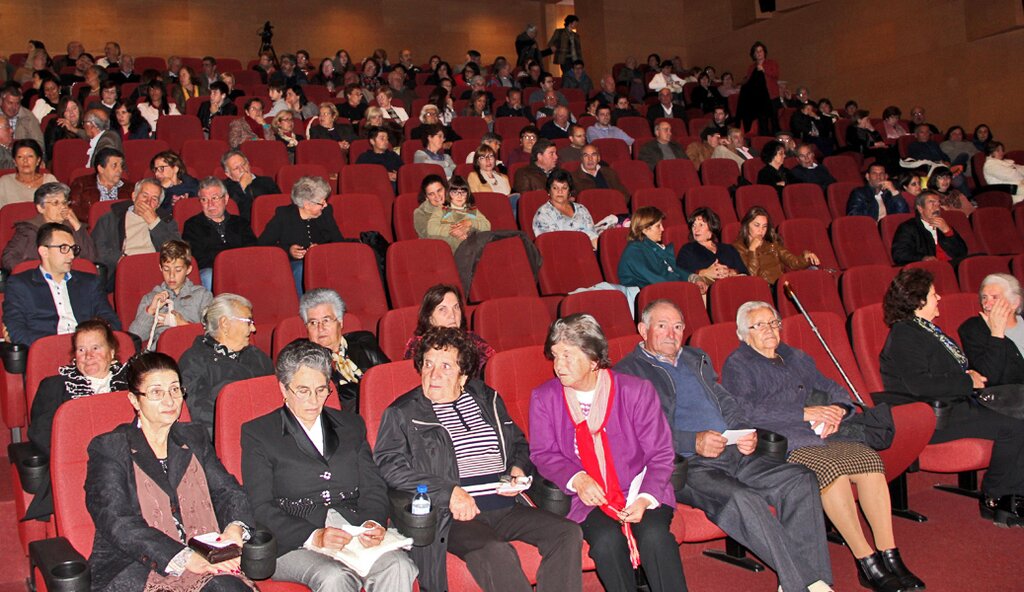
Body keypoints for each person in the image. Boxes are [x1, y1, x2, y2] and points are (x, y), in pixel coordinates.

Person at [614, 300, 836, 592]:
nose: (671, 334)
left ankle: (810, 581)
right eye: (662, 326)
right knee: (744, 499)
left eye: (678, 326)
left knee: (800, 480)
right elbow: (637, 433)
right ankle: (806, 585)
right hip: (687, 464)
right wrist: (693, 441)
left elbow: (724, 400)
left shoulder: (695, 358)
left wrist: (743, 429)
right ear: (643, 330)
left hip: (732, 451)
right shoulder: (627, 373)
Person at [723, 301, 924, 592]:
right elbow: (745, 411)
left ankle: (889, 554)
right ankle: (866, 560)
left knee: (870, 462)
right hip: (783, 441)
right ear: (744, 334)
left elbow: (833, 388)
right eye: (759, 325)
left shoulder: (794, 356)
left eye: (773, 323)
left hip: (825, 433)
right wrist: (803, 413)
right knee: (832, 472)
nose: (769, 330)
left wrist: (838, 411)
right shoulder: (739, 364)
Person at [377, 327, 581, 591]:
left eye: (445, 366)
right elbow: (389, 466)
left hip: (505, 506)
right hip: (453, 516)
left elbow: (519, 443)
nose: (433, 374)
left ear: (463, 374)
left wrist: (518, 468)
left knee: (567, 533)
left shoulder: (486, 398)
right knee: (495, 551)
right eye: (428, 364)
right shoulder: (403, 412)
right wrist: (448, 492)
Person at [240, 339, 417, 591]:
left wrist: (372, 523)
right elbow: (260, 507)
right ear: (283, 388)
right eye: (303, 391)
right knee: (335, 577)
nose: (314, 400)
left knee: (399, 565)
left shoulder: (351, 425)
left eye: (321, 390)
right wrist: (314, 535)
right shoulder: (258, 433)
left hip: (352, 529)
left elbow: (373, 486)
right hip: (292, 541)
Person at [529, 314, 686, 592]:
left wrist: (645, 498)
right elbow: (544, 453)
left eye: (567, 356)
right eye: (555, 355)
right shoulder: (545, 397)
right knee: (606, 542)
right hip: (586, 497)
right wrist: (577, 478)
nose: (558, 366)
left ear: (593, 360)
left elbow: (661, 453)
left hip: (641, 486)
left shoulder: (635, 392)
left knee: (654, 536)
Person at [85, 352, 257, 591]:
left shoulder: (193, 437)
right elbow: (116, 520)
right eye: (156, 392)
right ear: (134, 400)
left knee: (227, 588)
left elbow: (228, 491)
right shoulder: (110, 447)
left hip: (205, 555)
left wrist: (234, 529)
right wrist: (184, 558)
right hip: (138, 564)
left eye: (175, 390)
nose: (170, 401)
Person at [880, 268, 1024, 527]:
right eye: (933, 294)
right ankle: (994, 497)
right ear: (919, 301)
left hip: (954, 405)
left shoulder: (927, 330)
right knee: (1013, 426)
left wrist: (967, 375)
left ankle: (1012, 494)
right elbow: (920, 385)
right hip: (932, 415)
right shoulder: (904, 333)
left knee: (1017, 416)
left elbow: (945, 372)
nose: (939, 298)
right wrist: (967, 380)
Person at [24, 319, 128, 519]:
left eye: (96, 348)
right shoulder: (55, 386)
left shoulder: (134, 384)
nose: (88, 356)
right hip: (78, 468)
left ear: (112, 352)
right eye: (81, 350)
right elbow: (41, 434)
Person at [179, 293, 274, 434]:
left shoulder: (257, 356)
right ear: (225, 323)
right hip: (229, 436)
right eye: (248, 322)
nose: (253, 329)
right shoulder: (194, 362)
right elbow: (200, 416)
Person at [299, 288, 388, 413]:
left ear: (340, 322)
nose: (320, 328)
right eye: (313, 322)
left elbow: (390, 378)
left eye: (326, 320)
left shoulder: (364, 343)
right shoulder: (304, 359)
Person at [258, 176, 345, 294]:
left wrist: (320, 250)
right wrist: (289, 250)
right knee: (301, 269)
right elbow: (262, 246)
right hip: (295, 264)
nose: (325, 205)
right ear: (307, 205)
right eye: (322, 202)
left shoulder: (326, 212)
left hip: (324, 261)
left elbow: (338, 242)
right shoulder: (284, 216)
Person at [93, 178, 182, 290]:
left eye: (154, 199)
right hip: (125, 269)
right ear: (134, 196)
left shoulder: (166, 221)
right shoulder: (111, 218)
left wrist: (154, 223)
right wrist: (120, 260)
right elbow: (97, 248)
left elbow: (177, 252)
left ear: (158, 205)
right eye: (144, 196)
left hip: (156, 271)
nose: (148, 202)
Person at [128, 240, 213, 349]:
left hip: (194, 350)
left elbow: (213, 334)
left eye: (178, 270)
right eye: (166, 269)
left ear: (188, 269)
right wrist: (150, 311)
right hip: (163, 353)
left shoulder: (202, 295)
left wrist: (183, 325)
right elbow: (134, 338)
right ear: (160, 268)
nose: (171, 276)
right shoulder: (151, 298)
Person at [183, 177, 258, 290]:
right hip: (212, 270)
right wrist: (224, 263)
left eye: (214, 198)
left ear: (226, 199)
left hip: (241, 268)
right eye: (204, 199)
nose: (210, 204)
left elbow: (252, 250)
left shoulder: (240, 223)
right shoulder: (192, 225)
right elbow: (197, 257)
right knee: (209, 275)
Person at [403, 284, 494, 375]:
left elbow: (493, 369)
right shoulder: (418, 346)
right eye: (442, 309)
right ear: (430, 318)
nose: (453, 315)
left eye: (456, 307)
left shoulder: (473, 340)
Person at [2, 182, 96, 271]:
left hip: (74, 277)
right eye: (55, 203)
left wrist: (77, 225)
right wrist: (34, 272)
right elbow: (8, 258)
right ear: (40, 208)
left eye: (64, 202)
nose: (62, 207)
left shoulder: (73, 227)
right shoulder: (29, 230)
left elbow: (91, 258)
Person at [958, 274, 1024, 387]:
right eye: (984, 297)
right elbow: (989, 378)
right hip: (1009, 394)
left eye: (995, 297)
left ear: (1014, 303)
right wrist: (997, 334)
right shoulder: (972, 329)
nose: (986, 305)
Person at [617, 206, 703, 292]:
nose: (662, 229)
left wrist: (693, 278)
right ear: (645, 229)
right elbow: (656, 279)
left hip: (663, 291)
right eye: (658, 226)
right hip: (650, 295)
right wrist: (687, 288)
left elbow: (673, 269)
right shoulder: (635, 252)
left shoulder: (651, 246)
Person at [734, 206, 818, 285]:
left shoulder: (771, 244)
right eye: (757, 225)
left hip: (781, 285)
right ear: (747, 225)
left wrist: (807, 257)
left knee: (813, 270)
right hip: (764, 288)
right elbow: (751, 277)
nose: (761, 230)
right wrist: (752, 250)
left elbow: (793, 262)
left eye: (764, 226)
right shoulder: (737, 248)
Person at [890, 191, 968, 266]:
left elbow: (963, 252)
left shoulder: (944, 226)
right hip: (929, 269)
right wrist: (922, 258)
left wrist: (947, 231)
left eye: (938, 204)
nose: (937, 208)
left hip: (952, 266)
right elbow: (899, 254)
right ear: (920, 208)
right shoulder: (908, 227)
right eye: (932, 203)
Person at [677, 206, 749, 286]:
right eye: (694, 225)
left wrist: (731, 272)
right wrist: (704, 272)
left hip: (732, 286)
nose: (696, 229)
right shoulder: (687, 250)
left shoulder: (728, 249)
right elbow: (680, 274)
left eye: (701, 225)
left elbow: (745, 273)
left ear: (711, 227)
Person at [532, 169, 600, 248]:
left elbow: (593, 234)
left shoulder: (581, 209)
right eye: (555, 188)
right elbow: (550, 244)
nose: (560, 191)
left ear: (569, 191)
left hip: (589, 250)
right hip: (562, 252)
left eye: (564, 188)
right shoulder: (543, 214)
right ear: (549, 191)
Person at [425, 175, 491, 253]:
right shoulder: (442, 210)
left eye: (463, 192)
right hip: (450, 248)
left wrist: (470, 223)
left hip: (471, 247)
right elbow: (431, 228)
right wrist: (452, 230)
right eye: (454, 192)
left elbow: (487, 226)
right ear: (448, 194)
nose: (459, 196)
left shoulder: (472, 210)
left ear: (468, 194)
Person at [221, 149, 281, 222]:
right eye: (236, 168)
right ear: (228, 174)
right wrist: (242, 185)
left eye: (243, 164)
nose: (242, 170)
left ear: (248, 164)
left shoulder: (266, 181)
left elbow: (280, 204)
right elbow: (229, 208)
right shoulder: (223, 187)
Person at [737, 41, 779, 135]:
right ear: (754, 54)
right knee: (762, 121)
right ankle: (764, 139)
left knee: (774, 120)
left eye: (761, 51)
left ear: (764, 52)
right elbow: (748, 81)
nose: (759, 53)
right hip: (759, 99)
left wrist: (764, 70)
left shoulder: (771, 63)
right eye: (756, 51)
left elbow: (775, 75)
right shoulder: (751, 67)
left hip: (772, 96)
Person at [0, 139, 57, 209]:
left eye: (30, 156)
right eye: (20, 157)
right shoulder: (4, 183)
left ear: (38, 160)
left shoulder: (49, 181)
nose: (25, 160)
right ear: (14, 162)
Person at [1, 86, 45, 153]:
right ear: (1, 101)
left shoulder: (28, 117)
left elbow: (39, 145)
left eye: (17, 103)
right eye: (10, 103)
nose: (14, 107)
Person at [43, 97, 87, 163]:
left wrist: (72, 129)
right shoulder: (55, 125)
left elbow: (92, 139)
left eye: (74, 108)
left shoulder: (87, 124)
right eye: (67, 110)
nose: (71, 112)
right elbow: (50, 152)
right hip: (62, 162)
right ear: (62, 113)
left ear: (79, 109)